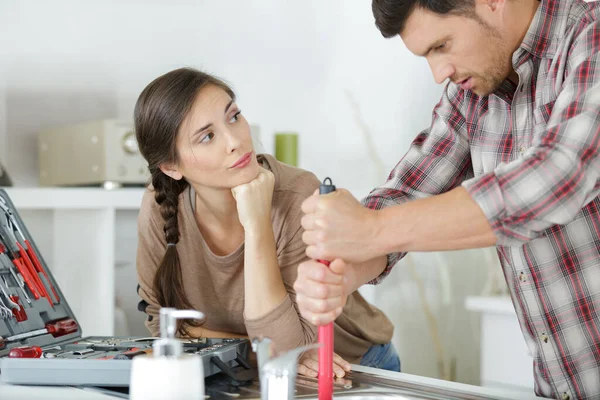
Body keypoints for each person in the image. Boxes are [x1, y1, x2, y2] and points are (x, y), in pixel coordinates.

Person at [294, 0, 600, 398]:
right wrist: (345, 270)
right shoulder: (473, 89)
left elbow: (559, 175)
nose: (439, 73)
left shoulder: (589, 34)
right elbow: (407, 193)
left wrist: (369, 231)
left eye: (441, 46)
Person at [134, 67, 400, 378]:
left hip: (349, 368)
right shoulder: (160, 206)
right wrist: (252, 348)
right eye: (207, 136)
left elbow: (284, 349)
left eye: (234, 116)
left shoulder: (298, 194)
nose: (235, 140)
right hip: (251, 370)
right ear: (171, 166)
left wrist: (258, 221)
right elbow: (162, 328)